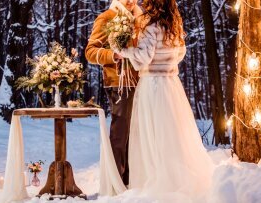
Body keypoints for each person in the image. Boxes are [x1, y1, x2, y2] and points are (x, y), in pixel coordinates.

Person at [109, 0, 214, 200]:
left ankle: (158, 179)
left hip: (153, 85)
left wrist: (122, 49)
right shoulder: (174, 25)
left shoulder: (151, 26)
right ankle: (178, 177)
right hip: (171, 84)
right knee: (173, 134)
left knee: (153, 134)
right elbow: (181, 53)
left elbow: (143, 57)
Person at [85, 0, 142, 186]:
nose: (132, 2)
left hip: (141, 82)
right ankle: (115, 180)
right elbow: (90, 51)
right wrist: (114, 55)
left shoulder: (139, 19)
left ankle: (131, 179)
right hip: (118, 82)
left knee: (135, 132)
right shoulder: (107, 17)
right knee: (120, 132)